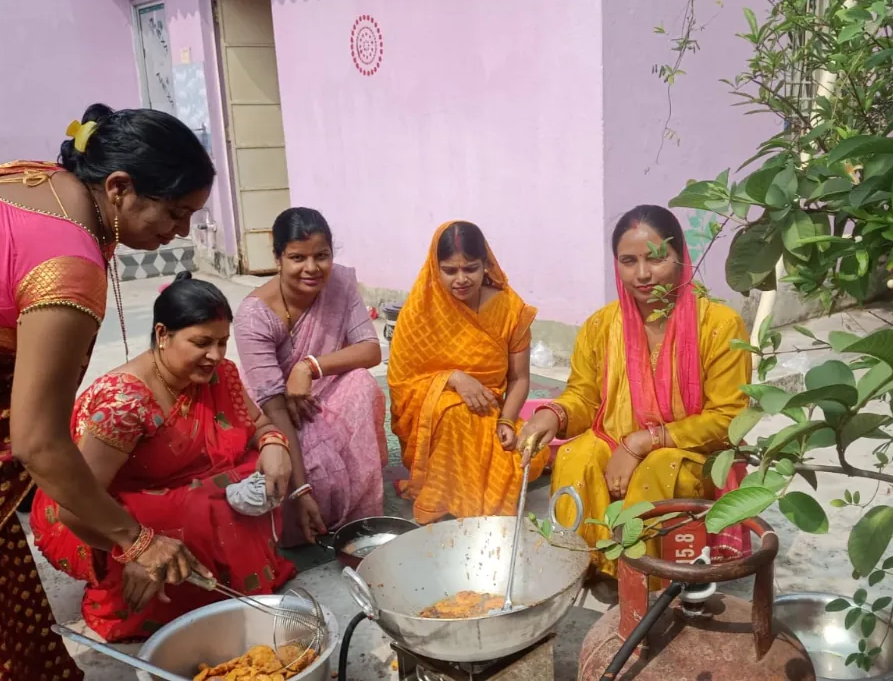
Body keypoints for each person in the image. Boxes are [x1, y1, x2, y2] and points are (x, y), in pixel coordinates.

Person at [0, 103, 216, 679]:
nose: (181, 232)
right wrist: (138, 541)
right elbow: (39, 444)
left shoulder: (42, 181)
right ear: (119, 188)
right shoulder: (67, 267)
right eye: (175, 213)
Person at [30, 273, 296, 641]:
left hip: (182, 489)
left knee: (249, 476)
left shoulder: (219, 375)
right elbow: (75, 506)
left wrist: (275, 445)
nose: (216, 356)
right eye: (202, 343)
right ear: (162, 335)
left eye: (222, 342)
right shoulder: (125, 405)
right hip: (111, 518)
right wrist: (136, 549)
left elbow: (260, 422)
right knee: (203, 505)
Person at [519, 205, 752, 576]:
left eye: (656, 258)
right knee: (576, 456)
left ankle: (650, 577)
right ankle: (582, 564)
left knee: (662, 465)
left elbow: (728, 418)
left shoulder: (719, 325)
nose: (642, 274)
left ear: (680, 257)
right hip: (616, 440)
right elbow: (584, 396)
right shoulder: (601, 325)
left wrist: (642, 443)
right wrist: (554, 413)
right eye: (629, 261)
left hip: (689, 450)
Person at [234, 207, 387, 546]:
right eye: (297, 257)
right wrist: (300, 488)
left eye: (322, 256)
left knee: (362, 383)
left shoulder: (341, 284)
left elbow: (370, 350)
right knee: (308, 480)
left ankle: (358, 512)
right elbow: (271, 404)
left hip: (323, 394)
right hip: (271, 411)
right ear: (277, 258)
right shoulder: (254, 316)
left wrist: (308, 367)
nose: (311, 268)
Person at [388, 221, 550, 524]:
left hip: (492, 409)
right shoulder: (420, 311)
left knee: (527, 450)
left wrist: (506, 420)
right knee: (454, 412)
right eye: (450, 271)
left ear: (485, 264)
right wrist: (454, 378)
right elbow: (402, 382)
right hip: (437, 414)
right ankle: (451, 500)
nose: (461, 279)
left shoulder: (509, 308)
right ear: (436, 268)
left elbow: (520, 378)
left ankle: (469, 499)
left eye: (471, 269)